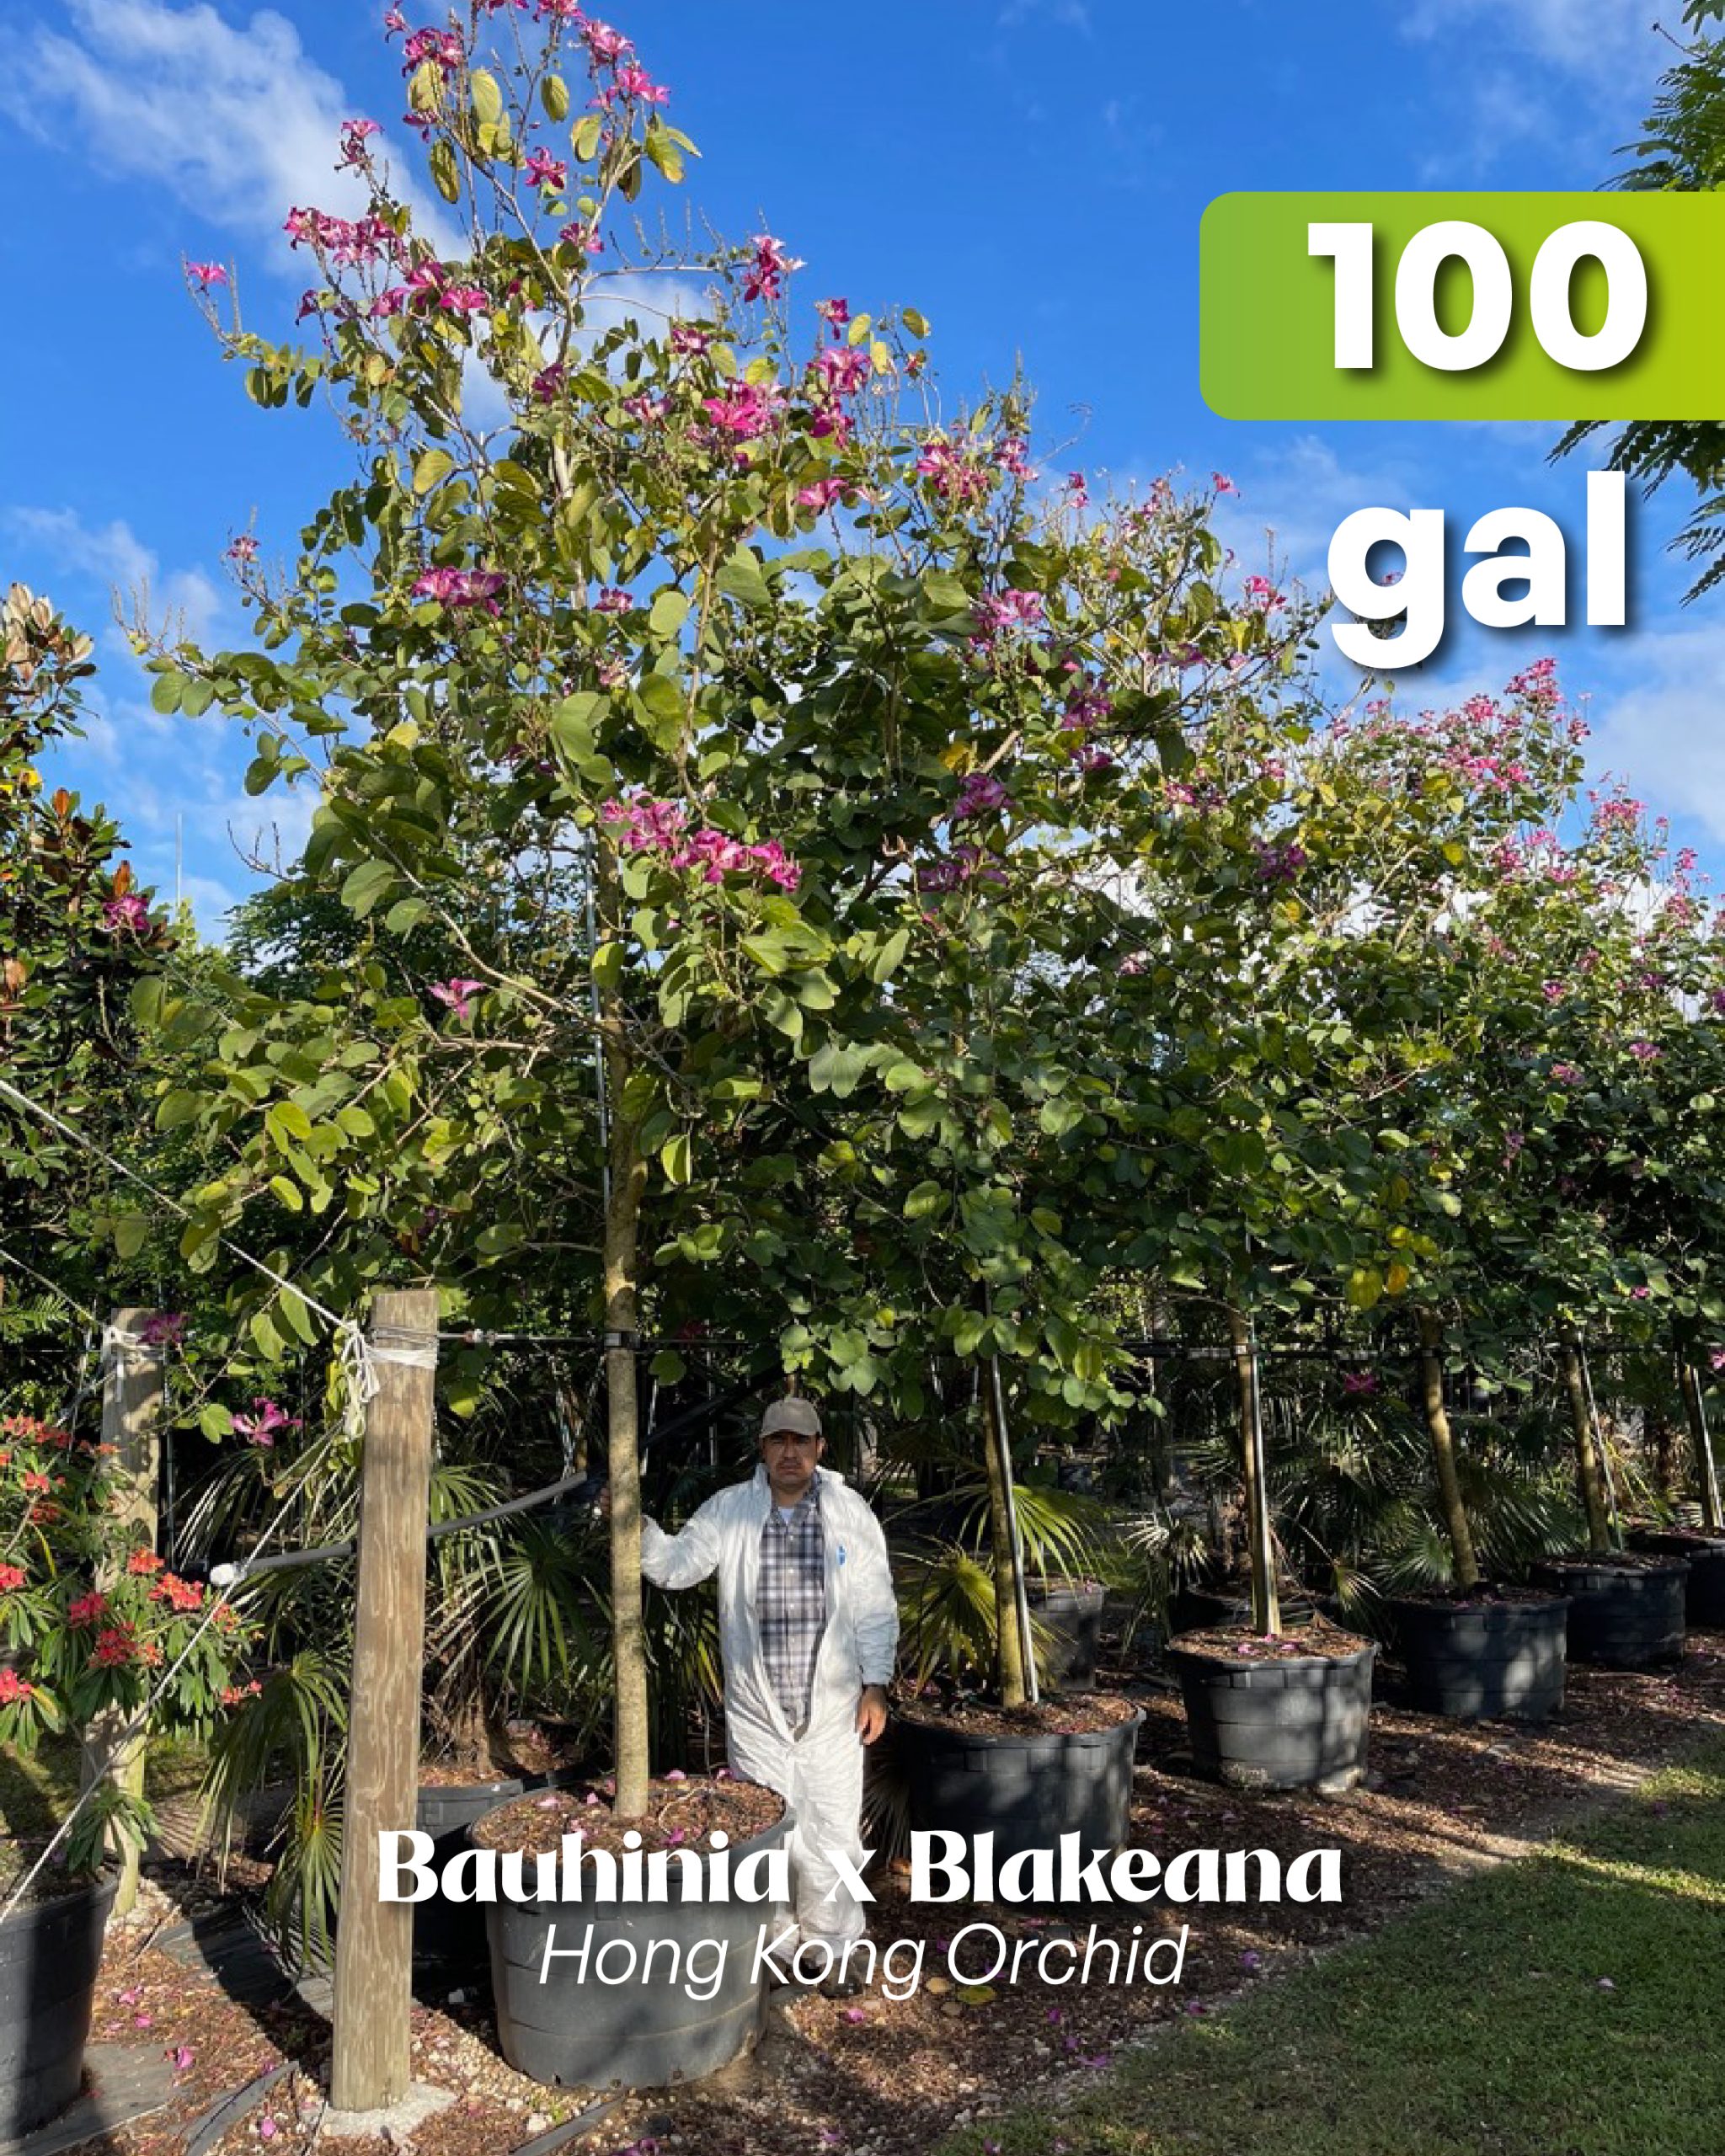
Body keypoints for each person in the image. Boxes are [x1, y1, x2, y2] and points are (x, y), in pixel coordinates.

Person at [623, 1395, 897, 1993]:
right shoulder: (731, 1511)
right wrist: (634, 1528)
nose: (790, 1452)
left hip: (834, 1709)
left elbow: (876, 1605)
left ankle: (835, 1945)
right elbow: (675, 1566)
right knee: (766, 1831)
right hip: (758, 1710)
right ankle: (777, 1944)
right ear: (763, 1448)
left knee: (833, 1829)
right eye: (779, 1440)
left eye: (801, 1440)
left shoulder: (850, 1514)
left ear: (821, 1447)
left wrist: (876, 1684)